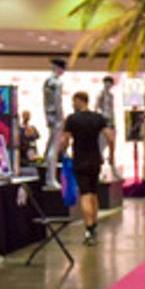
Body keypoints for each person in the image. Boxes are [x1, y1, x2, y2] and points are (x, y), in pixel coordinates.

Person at [60, 91, 115, 245]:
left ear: (80, 101)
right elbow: (110, 137)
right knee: (94, 192)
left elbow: (65, 139)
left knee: (85, 194)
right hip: (95, 159)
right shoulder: (98, 118)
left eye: (74, 101)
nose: (73, 104)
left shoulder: (72, 119)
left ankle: (88, 228)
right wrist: (112, 154)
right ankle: (95, 224)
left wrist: (62, 152)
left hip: (80, 159)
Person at [42, 58, 66, 190]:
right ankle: (51, 179)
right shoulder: (56, 83)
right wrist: (61, 117)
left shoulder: (47, 82)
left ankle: (48, 177)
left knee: (50, 146)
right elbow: (58, 102)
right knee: (54, 148)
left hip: (50, 116)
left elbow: (46, 102)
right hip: (56, 117)